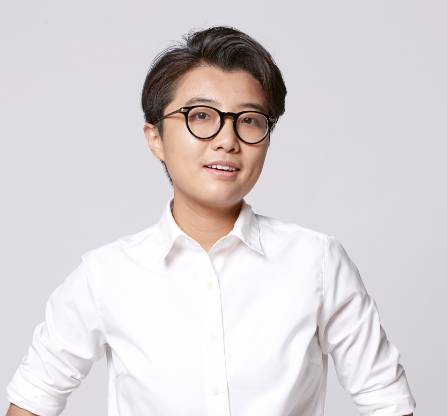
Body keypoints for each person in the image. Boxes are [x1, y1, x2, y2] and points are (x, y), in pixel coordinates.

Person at [5, 26, 416, 416]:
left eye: (249, 119)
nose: (227, 140)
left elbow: (385, 399)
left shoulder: (317, 262)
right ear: (155, 138)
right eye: (201, 116)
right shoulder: (106, 275)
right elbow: (34, 396)